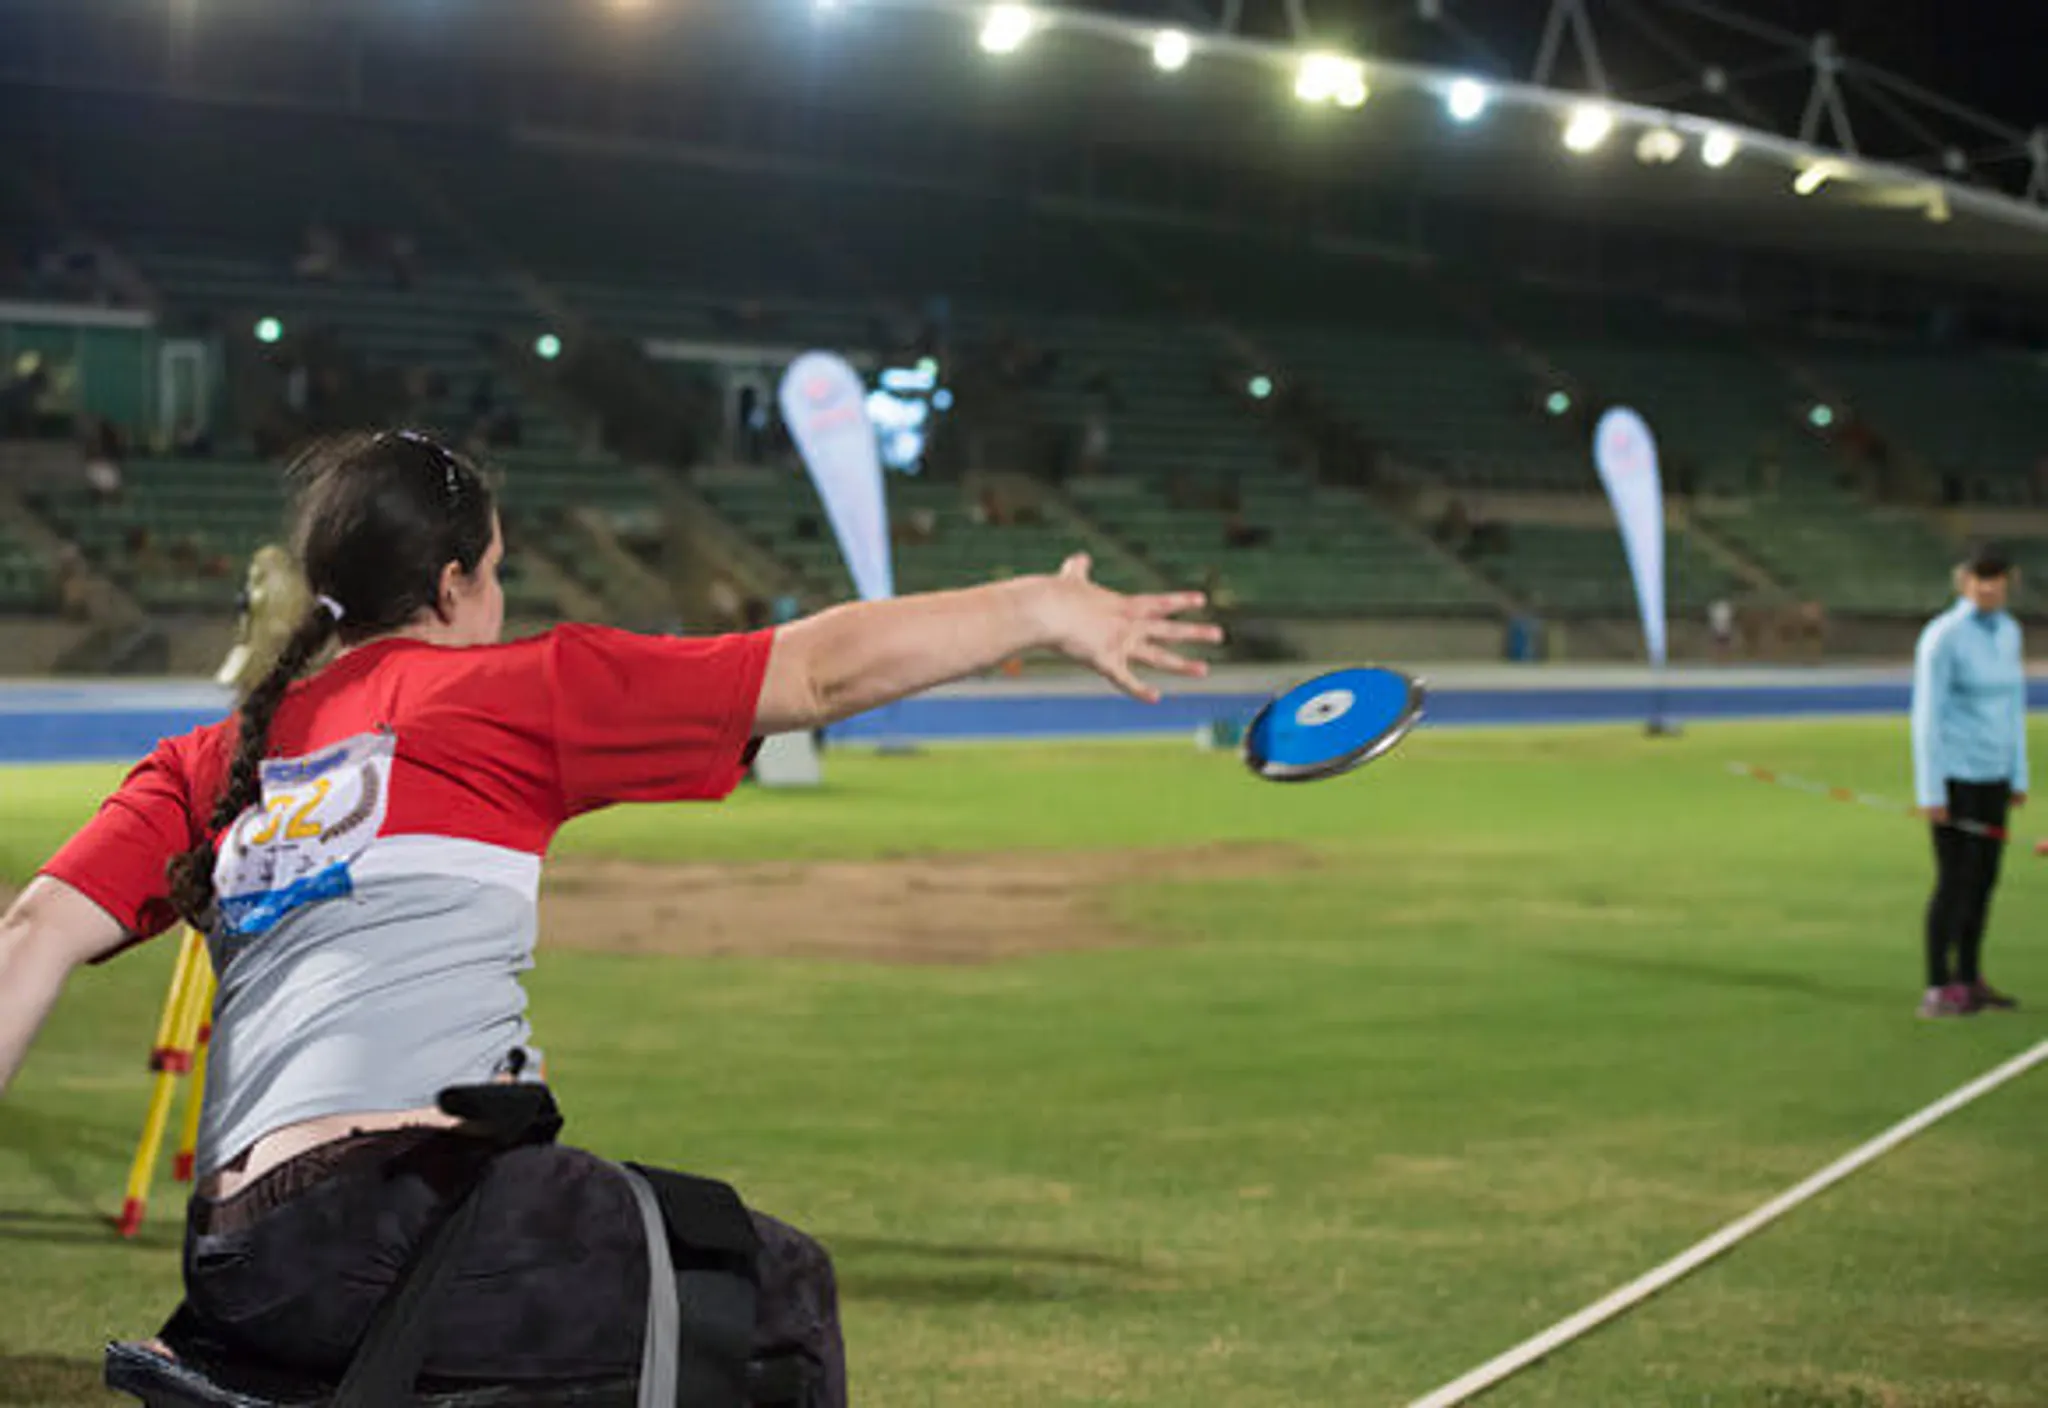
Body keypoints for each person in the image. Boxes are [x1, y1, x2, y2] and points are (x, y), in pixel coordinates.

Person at [0, 429, 1216, 1399]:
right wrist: (1039, 611)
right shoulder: (514, 691)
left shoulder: (216, 755)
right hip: (389, 1230)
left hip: (237, 1265)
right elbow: (812, 672)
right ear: (454, 581)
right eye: (498, 566)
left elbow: (29, 940)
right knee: (771, 1292)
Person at [1911, 544, 2027, 1019]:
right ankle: (1939, 985)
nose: (1988, 587)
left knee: (1984, 882)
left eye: (1996, 579)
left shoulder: (2009, 632)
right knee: (1954, 882)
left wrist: (2018, 774)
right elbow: (1927, 716)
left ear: (2008, 583)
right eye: (1980, 579)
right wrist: (1931, 789)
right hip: (1956, 776)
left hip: (1994, 776)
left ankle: (1971, 977)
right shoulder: (1944, 637)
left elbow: (2013, 708)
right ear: (1964, 583)